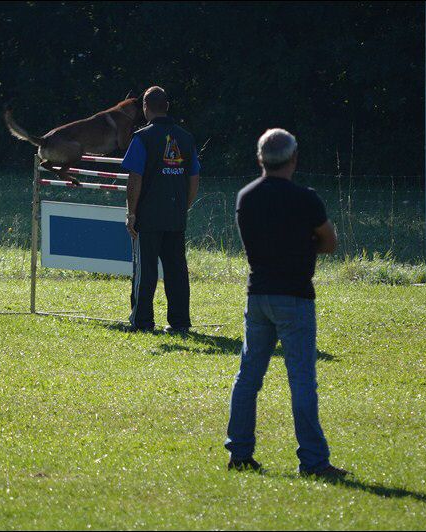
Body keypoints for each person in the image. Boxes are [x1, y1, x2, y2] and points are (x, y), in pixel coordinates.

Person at [224, 128, 349, 478]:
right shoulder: (306, 199)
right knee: (302, 381)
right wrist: (304, 243)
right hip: (294, 296)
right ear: (293, 159)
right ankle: (313, 460)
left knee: (248, 377)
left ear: (259, 158)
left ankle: (239, 452)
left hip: (258, 294)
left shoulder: (245, 197)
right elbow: (329, 242)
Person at [121, 86, 200, 333]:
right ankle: (180, 323)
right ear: (167, 107)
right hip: (175, 215)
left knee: (146, 271)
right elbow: (194, 178)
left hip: (149, 215)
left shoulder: (142, 138)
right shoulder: (186, 138)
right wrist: (183, 207)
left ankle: (142, 322)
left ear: (145, 107)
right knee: (176, 270)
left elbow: (135, 178)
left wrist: (131, 213)